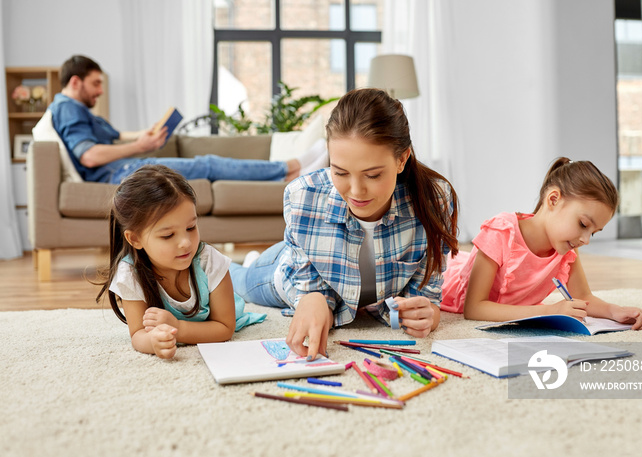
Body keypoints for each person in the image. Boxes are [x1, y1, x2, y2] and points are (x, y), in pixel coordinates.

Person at [228, 88, 460, 360]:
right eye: (339, 172)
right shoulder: (302, 195)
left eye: (372, 175)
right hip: (284, 271)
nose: (356, 191)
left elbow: (425, 295)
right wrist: (313, 300)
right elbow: (309, 288)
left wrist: (428, 314)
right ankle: (243, 261)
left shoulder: (435, 199)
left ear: (402, 159)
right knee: (233, 280)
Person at [441, 157, 642, 330]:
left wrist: (615, 311)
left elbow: (583, 296)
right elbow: (474, 309)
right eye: (583, 224)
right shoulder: (502, 232)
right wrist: (549, 311)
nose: (586, 240)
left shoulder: (566, 247)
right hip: (449, 277)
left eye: (594, 232)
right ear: (553, 199)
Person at [49, 55, 325, 184]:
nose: (100, 90)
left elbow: (115, 135)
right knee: (208, 164)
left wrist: (146, 133)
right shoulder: (68, 108)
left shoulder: (78, 111)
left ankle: (290, 169)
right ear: (76, 82)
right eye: (96, 83)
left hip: (121, 168)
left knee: (208, 163)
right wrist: (141, 147)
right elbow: (89, 157)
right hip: (120, 172)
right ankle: (291, 168)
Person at [95, 165, 264, 359]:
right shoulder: (129, 273)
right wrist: (154, 342)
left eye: (191, 227)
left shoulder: (210, 261)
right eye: (168, 235)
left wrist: (178, 328)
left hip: (229, 284)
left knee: (252, 282)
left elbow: (225, 328)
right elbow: (137, 334)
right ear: (135, 239)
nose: (185, 243)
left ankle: (252, 263)